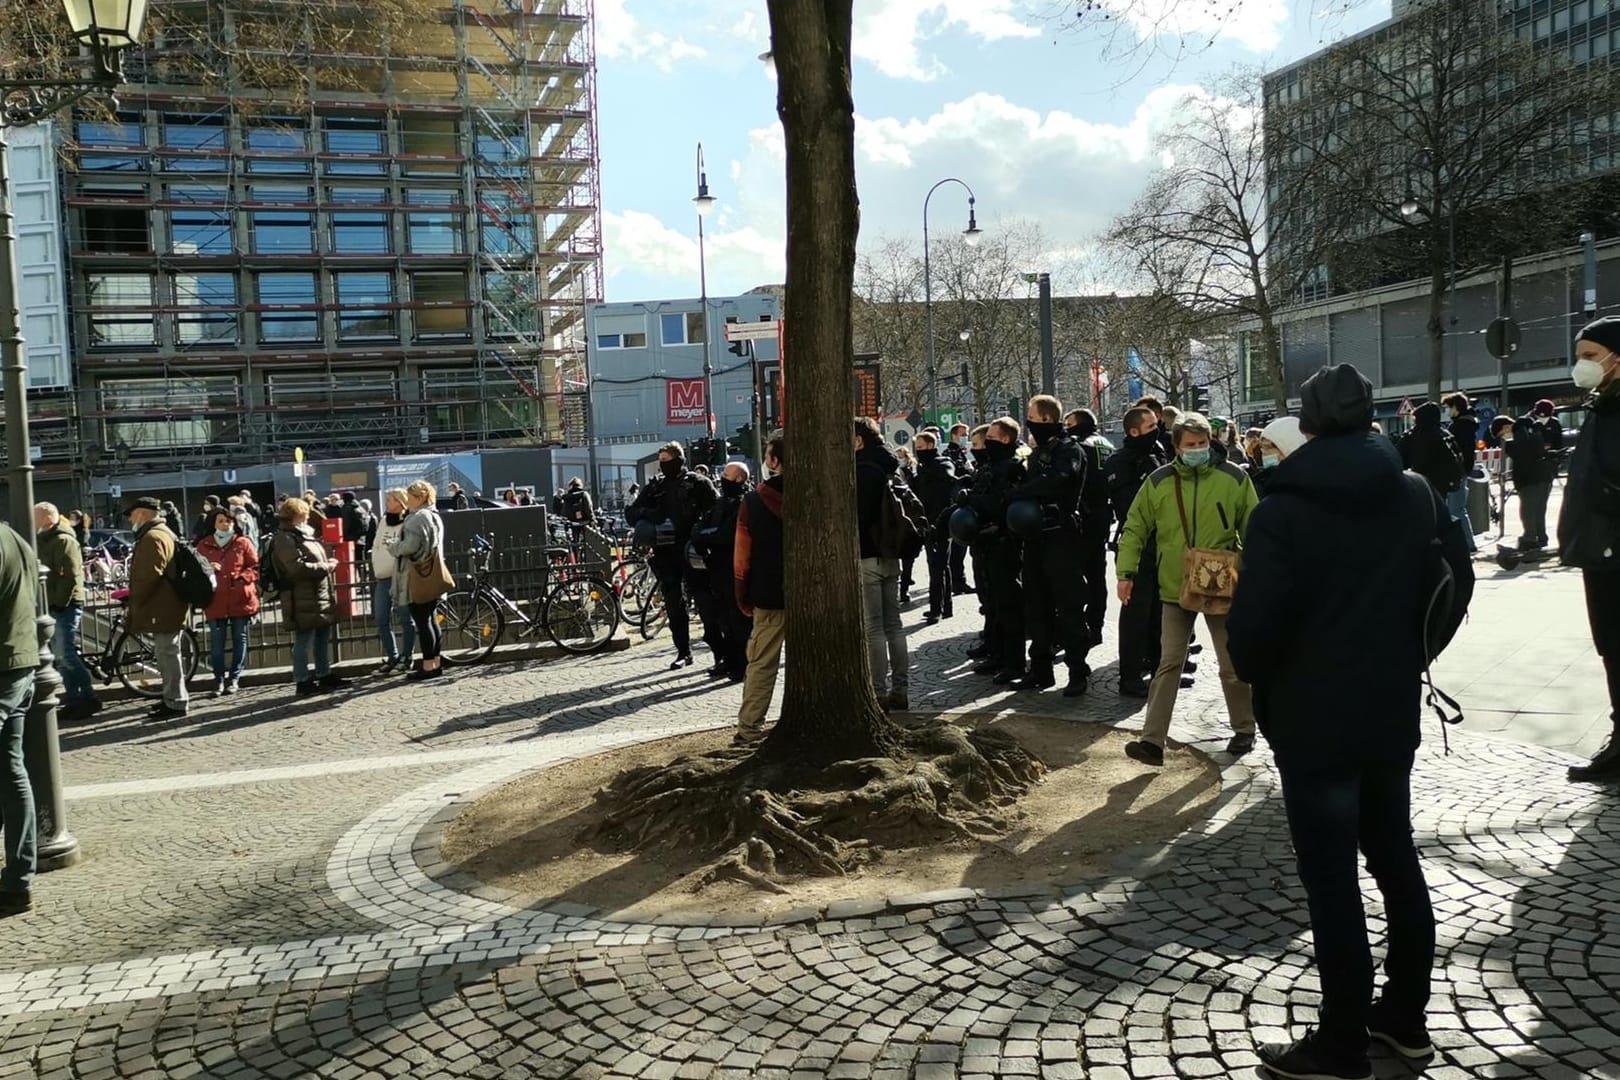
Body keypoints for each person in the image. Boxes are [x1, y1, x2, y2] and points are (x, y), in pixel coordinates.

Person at [1228, 362, 1473, 1080]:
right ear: (1372, 419)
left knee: (1331, 879)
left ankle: (1339, 1043)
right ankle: (1404, 1018)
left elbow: (1252, 633)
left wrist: (1275, 675)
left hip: (1310, 717)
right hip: (1388, 707)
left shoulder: (1281, 509)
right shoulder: (1414, 494)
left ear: (1306, 426)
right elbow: (1453, 586)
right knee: (1395, 857)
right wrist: (1411, 653)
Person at [1115, 412, 1258, 765]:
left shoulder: (1234, 478)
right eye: (1190, 445)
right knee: (1168, 663)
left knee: (1230, 662)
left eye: (1203, 443)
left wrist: (1249, 570)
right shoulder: (1158, 481)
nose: (1198, 450)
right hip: (1174, 586)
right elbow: (1134, 527)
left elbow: (1254, 527)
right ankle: (1152, 741)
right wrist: (1126, 572)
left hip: (1220, 583)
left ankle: (1244, 728)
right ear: (1176, 447)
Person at [1559, 316, 1620, 782]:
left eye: (1590, 356)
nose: (1581, 366)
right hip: (1599, 552)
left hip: (1613, 550)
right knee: (1610, 648)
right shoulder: (1603, 405)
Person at [1010, 395, 1091, 696]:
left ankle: (1077, 671)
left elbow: (1058, 481)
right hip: (1035, 537)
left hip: (1061, 536)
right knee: (1037, 605)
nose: (1028, 421)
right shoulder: (1036, 451)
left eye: (1031, 416)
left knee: (1069, 607)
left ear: (1045, 419)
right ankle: (1041, 669)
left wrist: (1020, 492)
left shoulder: (1069, 450)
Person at [626, 442, 717, 671]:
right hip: (666, 552)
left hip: (693, 549)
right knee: (674, 603)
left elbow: (717, 510)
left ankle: (719, 651)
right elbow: (632, 513)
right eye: (661, 461)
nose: (663, 465)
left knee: (705, 601)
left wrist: (702, 533)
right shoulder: (656, 487)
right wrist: (649, 514)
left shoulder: (697, 483)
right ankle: (683, 652)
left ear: (679, 460)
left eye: (667, 460)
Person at [1104, 406, 1169, 698]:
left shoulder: (1158, 451)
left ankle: (1159, 671)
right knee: (1136, 615)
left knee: (1160, 613)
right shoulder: (1119, 462)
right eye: (1151, 425)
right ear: (1133, 431)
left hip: (1164, 544)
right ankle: (1129, 678)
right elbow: (1129, 506)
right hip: (1137, 545)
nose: (1157, 429)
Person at [855, 417, 911, 710]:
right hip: (892, 554)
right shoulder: (890, 468)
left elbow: (859, 517)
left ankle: (878, 692)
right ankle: (901, 689)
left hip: (868, 554)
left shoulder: (862, 471)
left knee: (874, 627)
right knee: (894, 624)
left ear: (859, 440)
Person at [968, 418, 1028, 683]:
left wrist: (974, 501)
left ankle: (1014, 662)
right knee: (992, 602)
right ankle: (997, 653)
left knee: (1008, 604)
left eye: (991, 437)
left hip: (1004, 543)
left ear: (1004, 439)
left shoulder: (1013, 468)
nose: (987, 442)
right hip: (985, 543)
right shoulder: (991, 466)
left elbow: (1001, 504)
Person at [0, 520, 40, 916]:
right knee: (10, 771)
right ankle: (18, 879)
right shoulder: (13, 537)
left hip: (4, 666)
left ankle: (18, 878)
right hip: (19, 662)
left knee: (10, 771)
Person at [735, 435, 786, 741]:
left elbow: (742, 556)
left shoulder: (754, 501)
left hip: (769, 592)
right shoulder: (816, 493)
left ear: (773, 461)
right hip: (817, 591)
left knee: (762, 663)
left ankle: (750, 727)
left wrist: (742, 594)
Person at [271, 498, 345, 696]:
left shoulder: (304, 534)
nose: (308, 517)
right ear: (297, 515)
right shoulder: (285, 538)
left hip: (316, 593)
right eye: (305, 513)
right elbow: (295, 568)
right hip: (300, 595)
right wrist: (328, 566)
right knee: (304, 639)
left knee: (322, 636)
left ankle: (323, 673)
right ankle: (302, 679)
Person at [33, 503, 99, 721]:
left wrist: (59, 603)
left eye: (35, 518)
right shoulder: (46, 540)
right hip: (55, 603)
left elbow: (69, 576)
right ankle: (75, 698)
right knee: (60, 657)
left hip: (64, 604)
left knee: (65, 654)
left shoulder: (63, 540)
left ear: (46, 520)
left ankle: (87, 697)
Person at [126, 496, 190, 720]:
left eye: (131, 515)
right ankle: (171, 698)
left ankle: (175, 702)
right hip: (167, 604)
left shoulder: (153, 537)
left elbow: (148, 576)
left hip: (164, 605)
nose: (130, 520)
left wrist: (135, 600)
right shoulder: (162, 533)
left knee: (167, 653)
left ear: (141, 514)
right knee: (167, 653)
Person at [689, 462, 752, 682]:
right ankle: (729, 659)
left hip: (734, 569)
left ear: (739, 479)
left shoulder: (745, 503)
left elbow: (727, 535)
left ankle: (742, 663)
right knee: (720, 619)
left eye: (726, 475)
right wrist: (703, 537)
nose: (722, 478)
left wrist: (706, 536)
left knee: (738, 620)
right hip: (715, 568)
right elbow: (699, 529)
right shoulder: (720, 502)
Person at [197, 507, 259, 696]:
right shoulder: (203, 545)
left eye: (229, 521)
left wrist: (243, 578)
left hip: (240, 597)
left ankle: (234, 677)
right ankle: (218, 680)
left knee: (240, 638)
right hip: (215, 599)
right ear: (214, 523)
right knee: (217, 642)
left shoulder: (242, 542)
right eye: (221, 521)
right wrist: (208, 569)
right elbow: (196, 570)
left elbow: (255, 566)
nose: (226, 524)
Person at [1065, 407, 1114, 648]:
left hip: (1084, 514)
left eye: (1069, 423)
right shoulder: (1106, 444)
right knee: (1098, 575)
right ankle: (1097, 626)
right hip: (1103, 514)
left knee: (1076, 574)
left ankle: (1080, 627)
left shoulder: (1079, 445)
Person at [391, 480, 448, 681]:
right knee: (431, 619)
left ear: (419, 497)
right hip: (432, 572)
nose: (407, 501)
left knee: (423, 621)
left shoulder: (416, 518)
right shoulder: (434, 515)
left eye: (410, 497)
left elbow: (410, 546)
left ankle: (427, 666)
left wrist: (394, 547)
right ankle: (436, 663)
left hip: (416, 575)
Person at [911, 431, 959, 626]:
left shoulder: (942, 465)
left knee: (937, 566)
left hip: (940, 522)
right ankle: (944, 607)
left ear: (931, 446)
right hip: (928, 522)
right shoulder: (923, 468)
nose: (918, 452)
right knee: (938, 565)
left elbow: (949, 483)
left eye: (921, 447)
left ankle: (936, 608)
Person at [370, 489, 416, 675]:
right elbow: (376, 544)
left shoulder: (408, 521)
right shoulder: (383, 520)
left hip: (400, 576)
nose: (387, 502)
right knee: (381, 618)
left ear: (400, 502)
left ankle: (407, 657)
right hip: (382, 577)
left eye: (390, 499)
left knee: (405, 617)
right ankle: (392, 656)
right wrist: (376, 563)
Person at [1499, 409, 1557, 550]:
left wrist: (1508, 445)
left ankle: (1530, 538)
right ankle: (1541, 537)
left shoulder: (1518, 437)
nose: (1502, 437)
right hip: (1544, 476)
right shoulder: (1533, 431)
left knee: (1528, 510)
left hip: (1528, 479)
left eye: (1500, 434)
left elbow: (1521, 458)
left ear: (1506, 427)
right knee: (1539, 510)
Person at [1399, 402, 1465, 501]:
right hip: (1443, 483)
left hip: (1421, 483)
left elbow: (1401, 457)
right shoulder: (1444, 434)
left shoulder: (1416, 435)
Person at [1442, 393, 1480, 549]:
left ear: (1455, 407)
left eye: (1447, 407)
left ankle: (1467, 544)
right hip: (1462, 471)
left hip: (1456, 472)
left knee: (1456, 509)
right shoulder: (1468, 424)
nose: (1446, 411)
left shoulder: (1458, 426)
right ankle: (1467, 543)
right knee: (1459, 508)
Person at [1251, 416, 1306, 499]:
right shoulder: (1259, 486)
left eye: (1269, 447)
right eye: (1262, 447)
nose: (1263, 452)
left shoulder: (1310, 486)